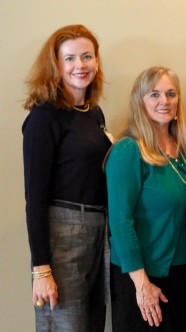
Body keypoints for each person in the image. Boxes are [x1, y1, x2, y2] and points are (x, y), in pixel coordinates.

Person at [21, 24, 111, 331]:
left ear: (97, 61)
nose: (80, 65)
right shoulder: (43, 118)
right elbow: (34, 199)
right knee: (64, 325)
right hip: (63, 233)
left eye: (87, 56)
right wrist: (41, 271)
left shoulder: (94, 114)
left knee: (93, 324)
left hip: (100, 231)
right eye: (70, 58)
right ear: (56, 65)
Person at [105, 66, 186, 331]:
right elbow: (120, 221)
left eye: (171, 93)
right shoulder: (128, 150)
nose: (165, 101)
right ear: (140, 101)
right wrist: (141, 283)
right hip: (143, 275)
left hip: (185, 273)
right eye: (154, 94)